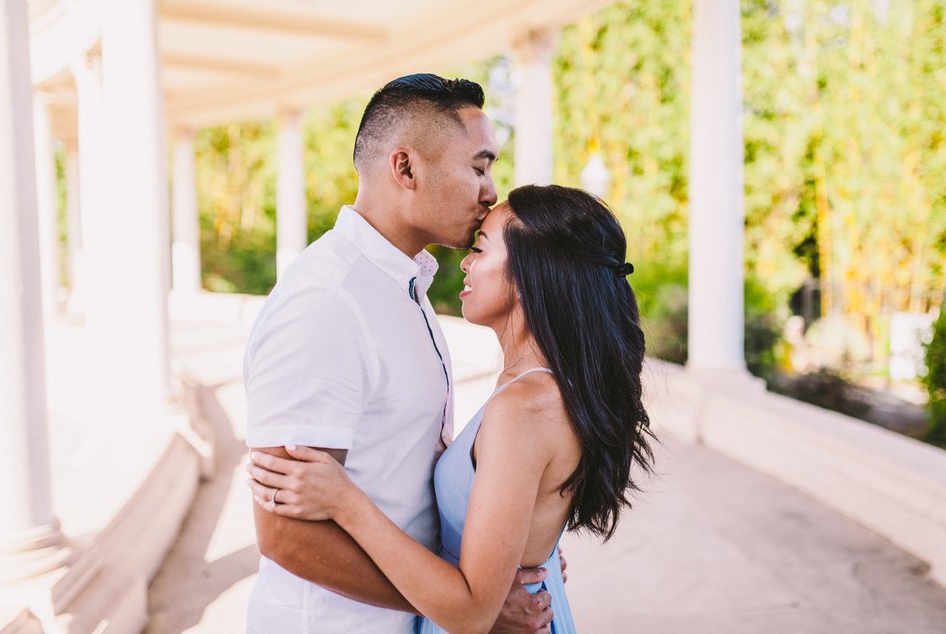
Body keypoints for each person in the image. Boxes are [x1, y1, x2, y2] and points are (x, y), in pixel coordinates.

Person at [248, 184, 656, 633]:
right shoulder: (536, 387)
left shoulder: (525, 407)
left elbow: (472, 612)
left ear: (530, 273)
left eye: (481, 250)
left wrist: (344, 501)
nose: (466, 262)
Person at [243, 75, 557, 633]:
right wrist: (467, 605)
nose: (490, 191)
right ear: (406, 168)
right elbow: (285, 532)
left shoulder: (404, 285)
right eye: (479, 167)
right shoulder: (327, 301)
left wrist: (502, 558)